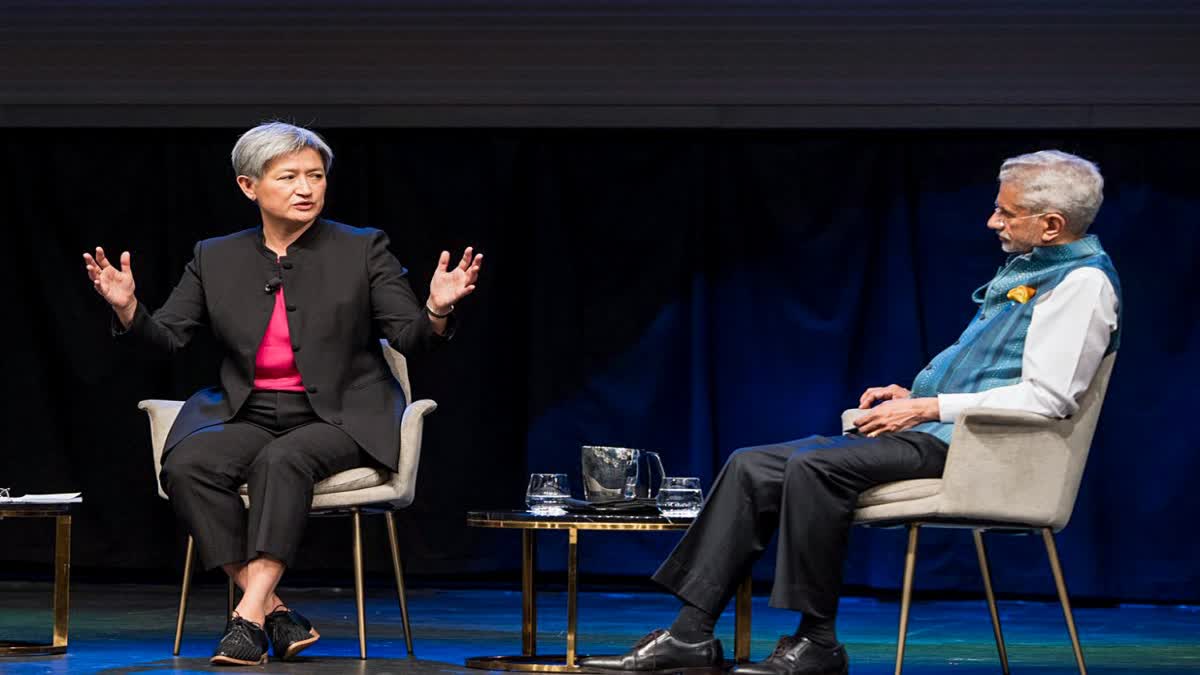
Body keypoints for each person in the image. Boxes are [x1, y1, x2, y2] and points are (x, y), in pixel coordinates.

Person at [582, 150, 1121, 675]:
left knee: (816, 467)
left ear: (1051, 225)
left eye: (1005, 212)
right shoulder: (1035, 273)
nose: (992, 221)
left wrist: (927, 406)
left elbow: (1050, 398)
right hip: (943, 434)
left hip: (979, 452)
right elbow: (991, 374)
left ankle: (816, 641)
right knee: (752, 464)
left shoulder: (1083, 284)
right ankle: (689, 634)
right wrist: (908, 394)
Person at [83, 122, 483, 666]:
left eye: (316, 176)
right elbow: (168, 339)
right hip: (249, 410)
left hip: (341, 414)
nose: (306, 188)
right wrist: (129, 309)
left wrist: (436, 309)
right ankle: (272, 609)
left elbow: (409, 339)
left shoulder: (363, 247)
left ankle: (245, 620)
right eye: (289, 176)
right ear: (250, 187)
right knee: (187, 464)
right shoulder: (214, 256)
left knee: (282, 459)